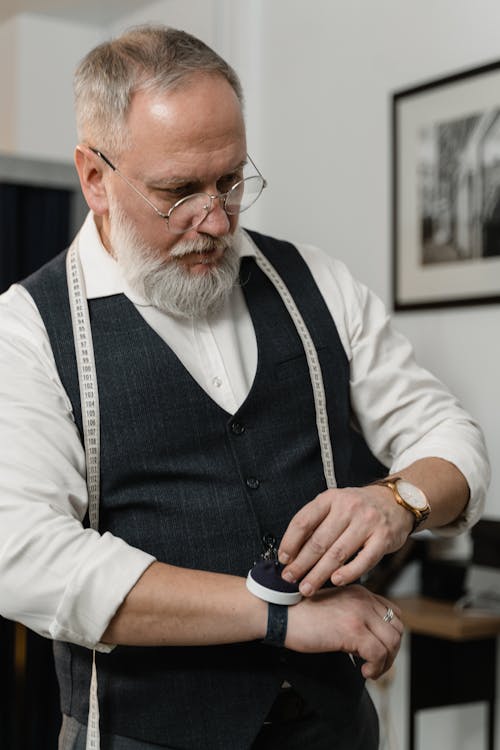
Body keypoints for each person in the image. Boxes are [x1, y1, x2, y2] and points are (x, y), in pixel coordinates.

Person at [0, 24, 489, 750]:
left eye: (231, 179)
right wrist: (276, 614)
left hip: (335, 728)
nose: (217, 219)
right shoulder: (28, 328)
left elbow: (450, 437)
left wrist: (398, 502)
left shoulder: (317, 283)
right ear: (95, 177)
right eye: (178, 191)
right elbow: (27, 557)